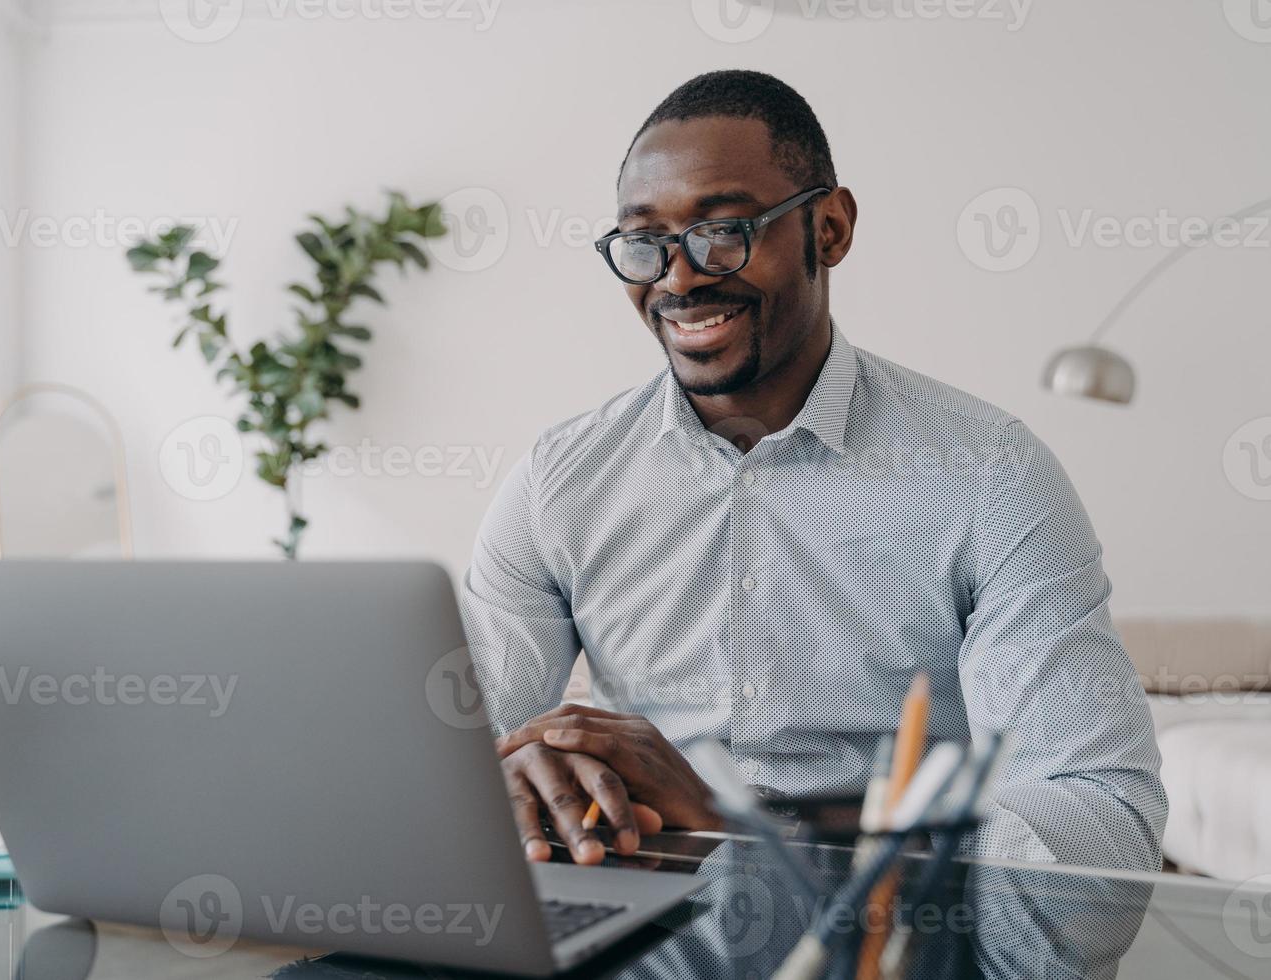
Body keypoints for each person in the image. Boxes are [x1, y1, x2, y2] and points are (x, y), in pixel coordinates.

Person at [458, 70, 1166, 872]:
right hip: (631, 918)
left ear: (828, 229)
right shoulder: (559, 480)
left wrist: (747, 834)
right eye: (644, 242)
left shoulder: (993, 477)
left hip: (870, 929)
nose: (679, 277)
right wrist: (510, 778)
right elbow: (454, 751)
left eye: (724, 230)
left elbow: (1104, 822)